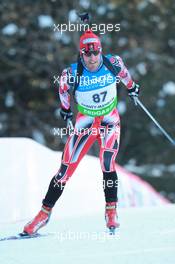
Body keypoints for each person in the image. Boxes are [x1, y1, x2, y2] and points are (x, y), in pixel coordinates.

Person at [22, 29, 140, 235]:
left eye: (96, 53)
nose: (93, 58)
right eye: (87, 53)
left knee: (107, 163)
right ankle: (44, 213)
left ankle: (111, 210)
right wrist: (66, 111)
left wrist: (132, 88)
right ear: (81, 54)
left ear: (100, 51)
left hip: (109, 121)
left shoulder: (113, 63)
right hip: (85, 122)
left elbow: (125, 75)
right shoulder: (72, 73)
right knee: (65, 170)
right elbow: (62, 90)